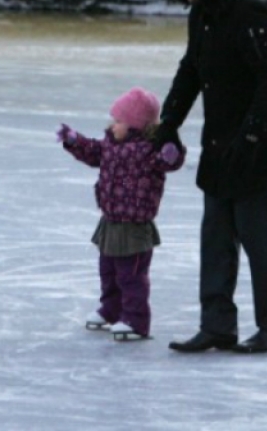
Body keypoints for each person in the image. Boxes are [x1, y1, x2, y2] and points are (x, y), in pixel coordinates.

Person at [155, 0, 267, 354]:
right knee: (215, 238)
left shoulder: (254, 18)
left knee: (257, 237)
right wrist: (169, 122)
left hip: (259, 150)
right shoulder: (200, 17)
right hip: (220, 148)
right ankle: (216, 325)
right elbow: (190, 72)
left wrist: (251, 136)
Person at [57, 87, 186, 342]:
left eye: (118, 121)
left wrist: (172, 154)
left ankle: (135, 320)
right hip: (111, 220)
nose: (112, 125)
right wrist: (73, 140)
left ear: (136, 125)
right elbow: (92, 151)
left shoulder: (149, 149)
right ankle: (111, 310)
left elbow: (168, 161)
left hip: (134, 225)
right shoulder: (110, 145)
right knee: (108, 271)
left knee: (131, 276)